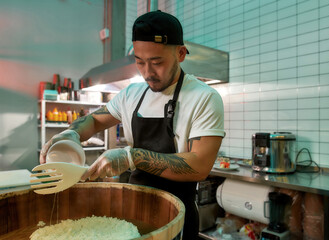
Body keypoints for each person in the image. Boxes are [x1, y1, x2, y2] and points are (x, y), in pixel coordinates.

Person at [39, 10, 225, 239]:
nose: (148, 73)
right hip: (134, 209)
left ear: (181, 53)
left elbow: (200, 164)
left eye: (157, 62)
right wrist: (71, 134)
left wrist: (132, 157)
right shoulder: (131, 95)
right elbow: (95, 119)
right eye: (140, 62)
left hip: (177, 214)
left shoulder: (203, 97)